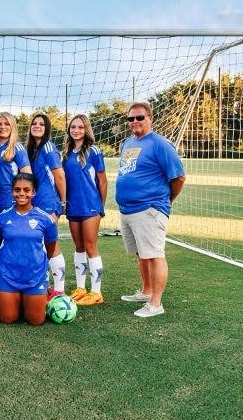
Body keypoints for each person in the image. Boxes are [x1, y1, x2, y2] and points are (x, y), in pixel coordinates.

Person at [116, 102, 185, 318]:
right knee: (141, 253)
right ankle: (146, 291)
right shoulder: (127, 143)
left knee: (154, 255)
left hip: (149, 209)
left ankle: (156, 304)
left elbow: (178, 177)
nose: (135, 122)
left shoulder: (160, 144)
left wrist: (164, 201)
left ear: (150, 119)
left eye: (139, 117)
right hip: (128, 210)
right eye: (131, 119)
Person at [0, 173, 58, 325]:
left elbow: (50, 248)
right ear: (12, 191)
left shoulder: (45, 219)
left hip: (35, 277)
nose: (21, 193)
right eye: (17, 190)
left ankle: (36, 296)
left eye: (26, 190)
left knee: (35, 321)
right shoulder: (2, 218)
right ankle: (7, 295)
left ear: (33, 192)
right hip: (8, 276)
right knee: (7, 318)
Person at [62, 114, 107, 306]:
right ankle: (80, 288)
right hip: (74, 207)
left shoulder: (94, 151)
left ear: (86, 129)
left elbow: (102, 180)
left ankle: (96, 292)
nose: (76, 130)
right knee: (78, 247)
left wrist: (100, 206)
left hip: (90, 206)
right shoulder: (66, 153)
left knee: (90, 247)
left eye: (80, 127)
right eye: (73, 127)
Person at [26, 113, 68, 299]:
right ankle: (44, 287)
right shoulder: (30, 149)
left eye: (42, 124)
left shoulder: (48, 147)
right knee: (39, 246)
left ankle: (59, 289)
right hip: (35, 204)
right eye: (34, 123)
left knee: (51, 245)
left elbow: (59, 176)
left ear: (47, 128)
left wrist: (62, 202)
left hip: (49, 203)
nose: (37, 126)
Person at [0, 112, 31, 215]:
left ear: (12, 126)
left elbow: (28, 177)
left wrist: (21, 200)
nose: (2, 127)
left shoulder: (16, 148)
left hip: (11, 202)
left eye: (7, 124)